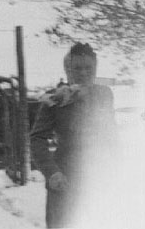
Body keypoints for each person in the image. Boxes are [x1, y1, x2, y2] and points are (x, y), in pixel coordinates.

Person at [30, 42, 117, 228]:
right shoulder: (54, 98)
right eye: (77, 68)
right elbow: (37, 139)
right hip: (65, 180)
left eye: (89, 68)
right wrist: (52, 173)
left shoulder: (104, 94)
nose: (84, 73)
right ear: (67, 70)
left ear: (95, 68)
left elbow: (112, 136)